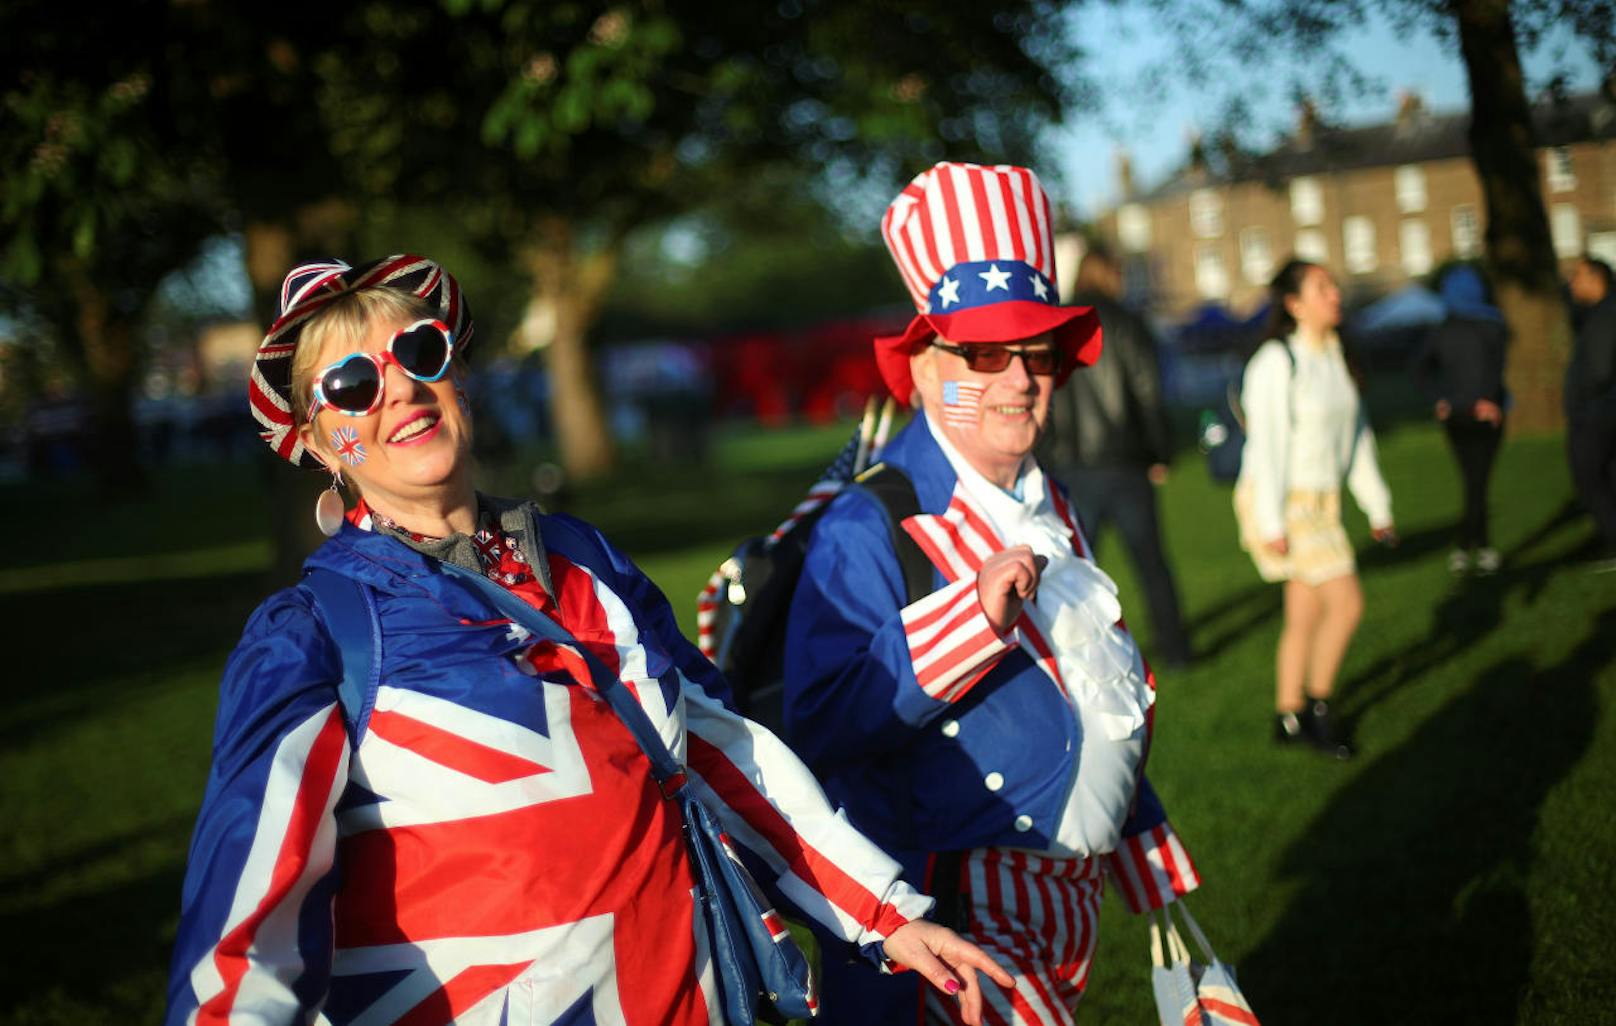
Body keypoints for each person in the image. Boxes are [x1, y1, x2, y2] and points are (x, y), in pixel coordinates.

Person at [164, 255, 1011, 1026]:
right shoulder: (312, 634)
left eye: (419, 353)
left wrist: (886, 915)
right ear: (315, 441)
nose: (399, 390)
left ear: (456, 377)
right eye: (351, 383)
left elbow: (715, 752)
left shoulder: (581, 557)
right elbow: (245, 933)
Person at [784, 163, 1201, 1026]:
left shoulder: (1050, 497)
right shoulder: (870, 523)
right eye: (983, 354)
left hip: (1066, 914)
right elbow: (819, 719)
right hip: (957, 929)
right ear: (926, 369)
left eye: (1036, 352)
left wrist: (1137, 830)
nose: (1018, 379)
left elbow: (1089, 681)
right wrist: (968, 622)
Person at [1234, 259, 1397, 760]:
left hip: (1321, 503)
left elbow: (1358, 437)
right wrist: (1272, 522)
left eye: (1333, 285)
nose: (1335, 295)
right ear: (1294, 304)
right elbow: (1268, 446)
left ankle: (1287, 715)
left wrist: (1377, 505)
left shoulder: (1334, 357)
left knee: (1303, 614)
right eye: (1322, 288)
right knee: (1347, 604)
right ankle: (1319, 712)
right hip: (1285, 500)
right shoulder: (1276, 362)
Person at [1041, 245, 1192, 667]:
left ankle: (1074, 656)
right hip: (1127, 464)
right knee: (1151, 565)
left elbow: (1044, 396)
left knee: (1075, 573)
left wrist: (1046, 457)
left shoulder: (1060, 325)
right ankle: (1176, 650)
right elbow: (1149, 394)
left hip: (1073, 467)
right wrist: (1160, 452)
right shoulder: (1129, 323)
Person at [1413, 264, 1508, 575]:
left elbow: (1421, 371)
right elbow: (1495, 371)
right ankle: (1476, 547)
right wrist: (1482, 400)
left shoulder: (1445, 328)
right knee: (1476, 482)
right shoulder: (1492, 325)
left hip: (1467, 415)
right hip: (1474, 416)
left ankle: (1469, 546)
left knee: (1474, 482)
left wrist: (1440, 398)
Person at [1565, 255, 1616, 569]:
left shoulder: (1605, 316)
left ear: (1597, 278)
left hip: (1597, 414)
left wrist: (1580, 402)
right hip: (1602, 410)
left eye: (1578, 276)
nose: (1572, 282)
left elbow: (1599, 370)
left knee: (1589, 476)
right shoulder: (1598, 314)